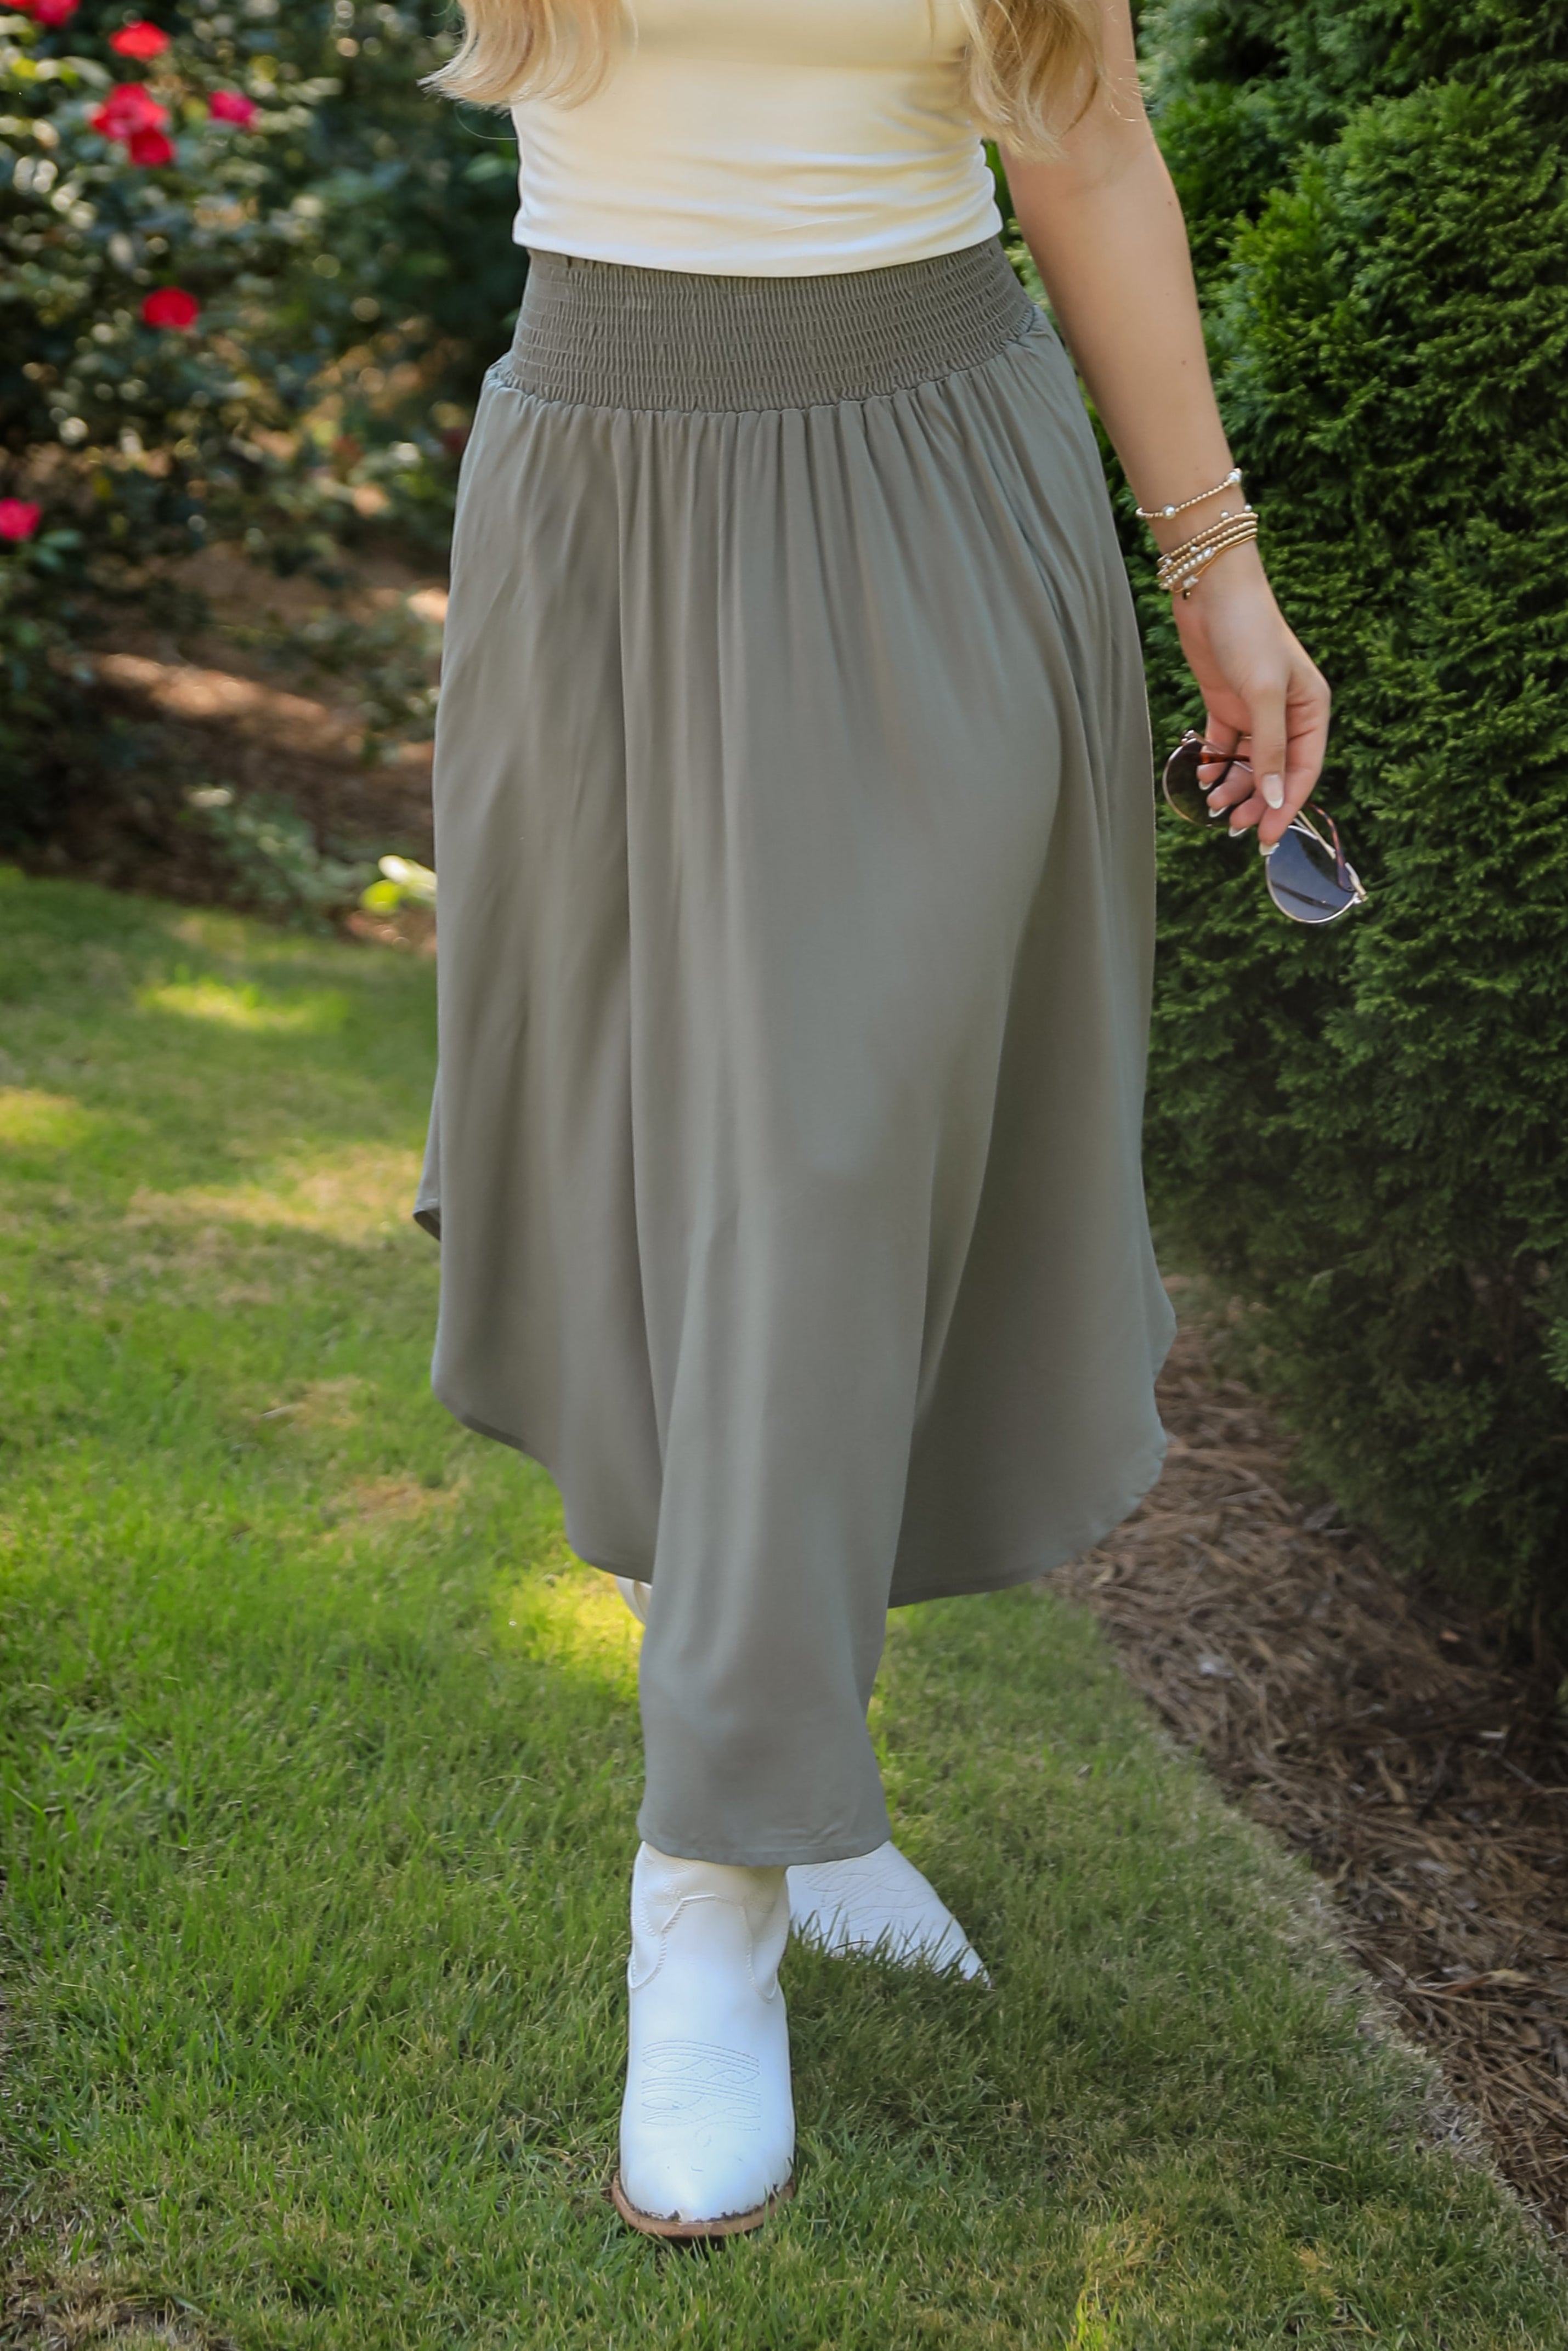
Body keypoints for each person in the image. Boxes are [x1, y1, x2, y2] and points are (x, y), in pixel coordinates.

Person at [412, 0, 1331, 2239]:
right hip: (602, 496)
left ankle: (709, 1882)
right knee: (679, 1179)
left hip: (926, 489)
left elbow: (1083, 135)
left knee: (822, 1172)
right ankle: (797, 1796)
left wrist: (1220, 570)